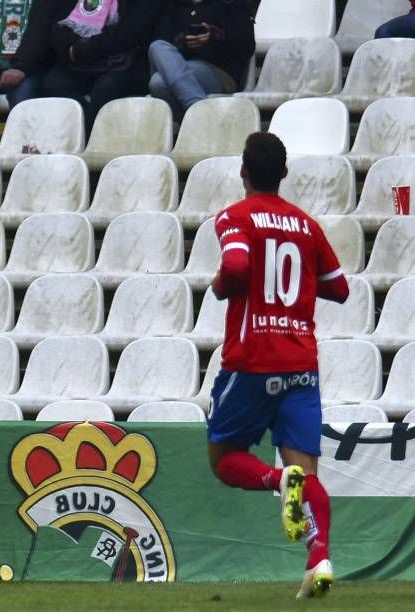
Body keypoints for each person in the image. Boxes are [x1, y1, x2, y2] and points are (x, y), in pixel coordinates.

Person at [207, 132, 349, 599]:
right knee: (307, 475)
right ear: (284, 174)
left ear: (243, 171)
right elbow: (340, 288)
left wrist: (220, 287)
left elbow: (237, 266)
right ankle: (320, 557)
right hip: (300, 364)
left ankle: (274, 479)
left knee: (224, 460)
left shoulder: (234, 217)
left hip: (252, 361)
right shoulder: (306, 226)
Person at [42, 0, 164, 135]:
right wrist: (68, 48)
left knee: (106, 87)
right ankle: (80, 131)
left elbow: (127, 35)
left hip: (124, 65)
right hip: (82, 64)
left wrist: (80, 50)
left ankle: (89, 141)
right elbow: (59, 24)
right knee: (53, 82)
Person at [148, 0, 255, 119]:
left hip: (219, 72)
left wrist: (215, 37)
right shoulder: (174, 6)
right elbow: (162, 43)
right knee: (157, 49)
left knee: (158, 82)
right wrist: (182, 41)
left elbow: (246, 48)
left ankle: (199, 113)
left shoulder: (230, 4)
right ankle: (200, 115)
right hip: (178, 67)